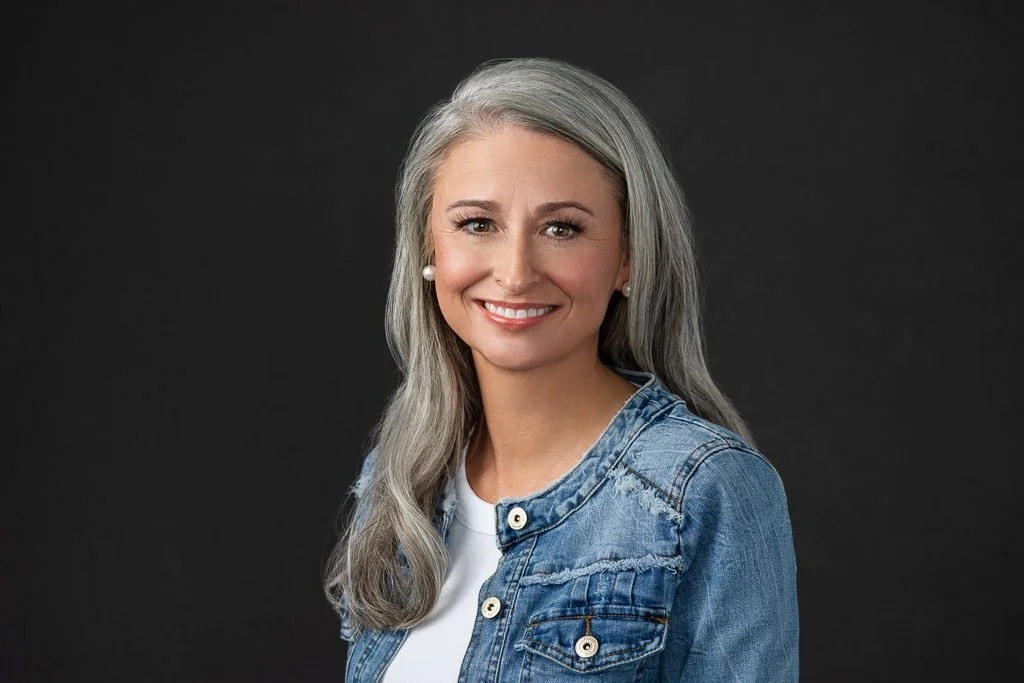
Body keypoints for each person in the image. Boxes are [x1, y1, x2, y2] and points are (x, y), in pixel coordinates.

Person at [323, 57, 799, 681]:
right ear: (428, 249)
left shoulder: (707, 493)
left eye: (561, 228)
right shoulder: (402, 475)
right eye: (477, 224)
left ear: (629, 257)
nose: (516, 271)